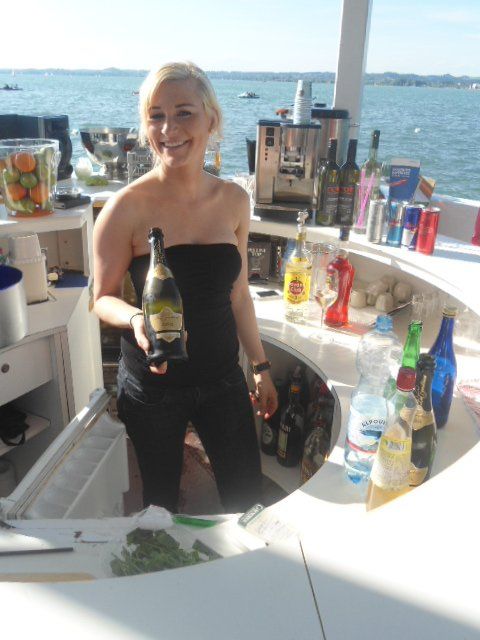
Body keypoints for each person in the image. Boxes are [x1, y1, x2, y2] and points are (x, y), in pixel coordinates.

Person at [93, 61, 278, 513]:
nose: (168, 128)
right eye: (156, 115)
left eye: (184, 113)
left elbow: (238, 295)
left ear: (211, 119)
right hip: (154, 384)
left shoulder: (234, 200)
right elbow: (102, 298)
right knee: (160, 507)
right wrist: (135, 318)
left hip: (222, 376)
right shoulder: (125, 207)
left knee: (246, 499)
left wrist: (260, 366)